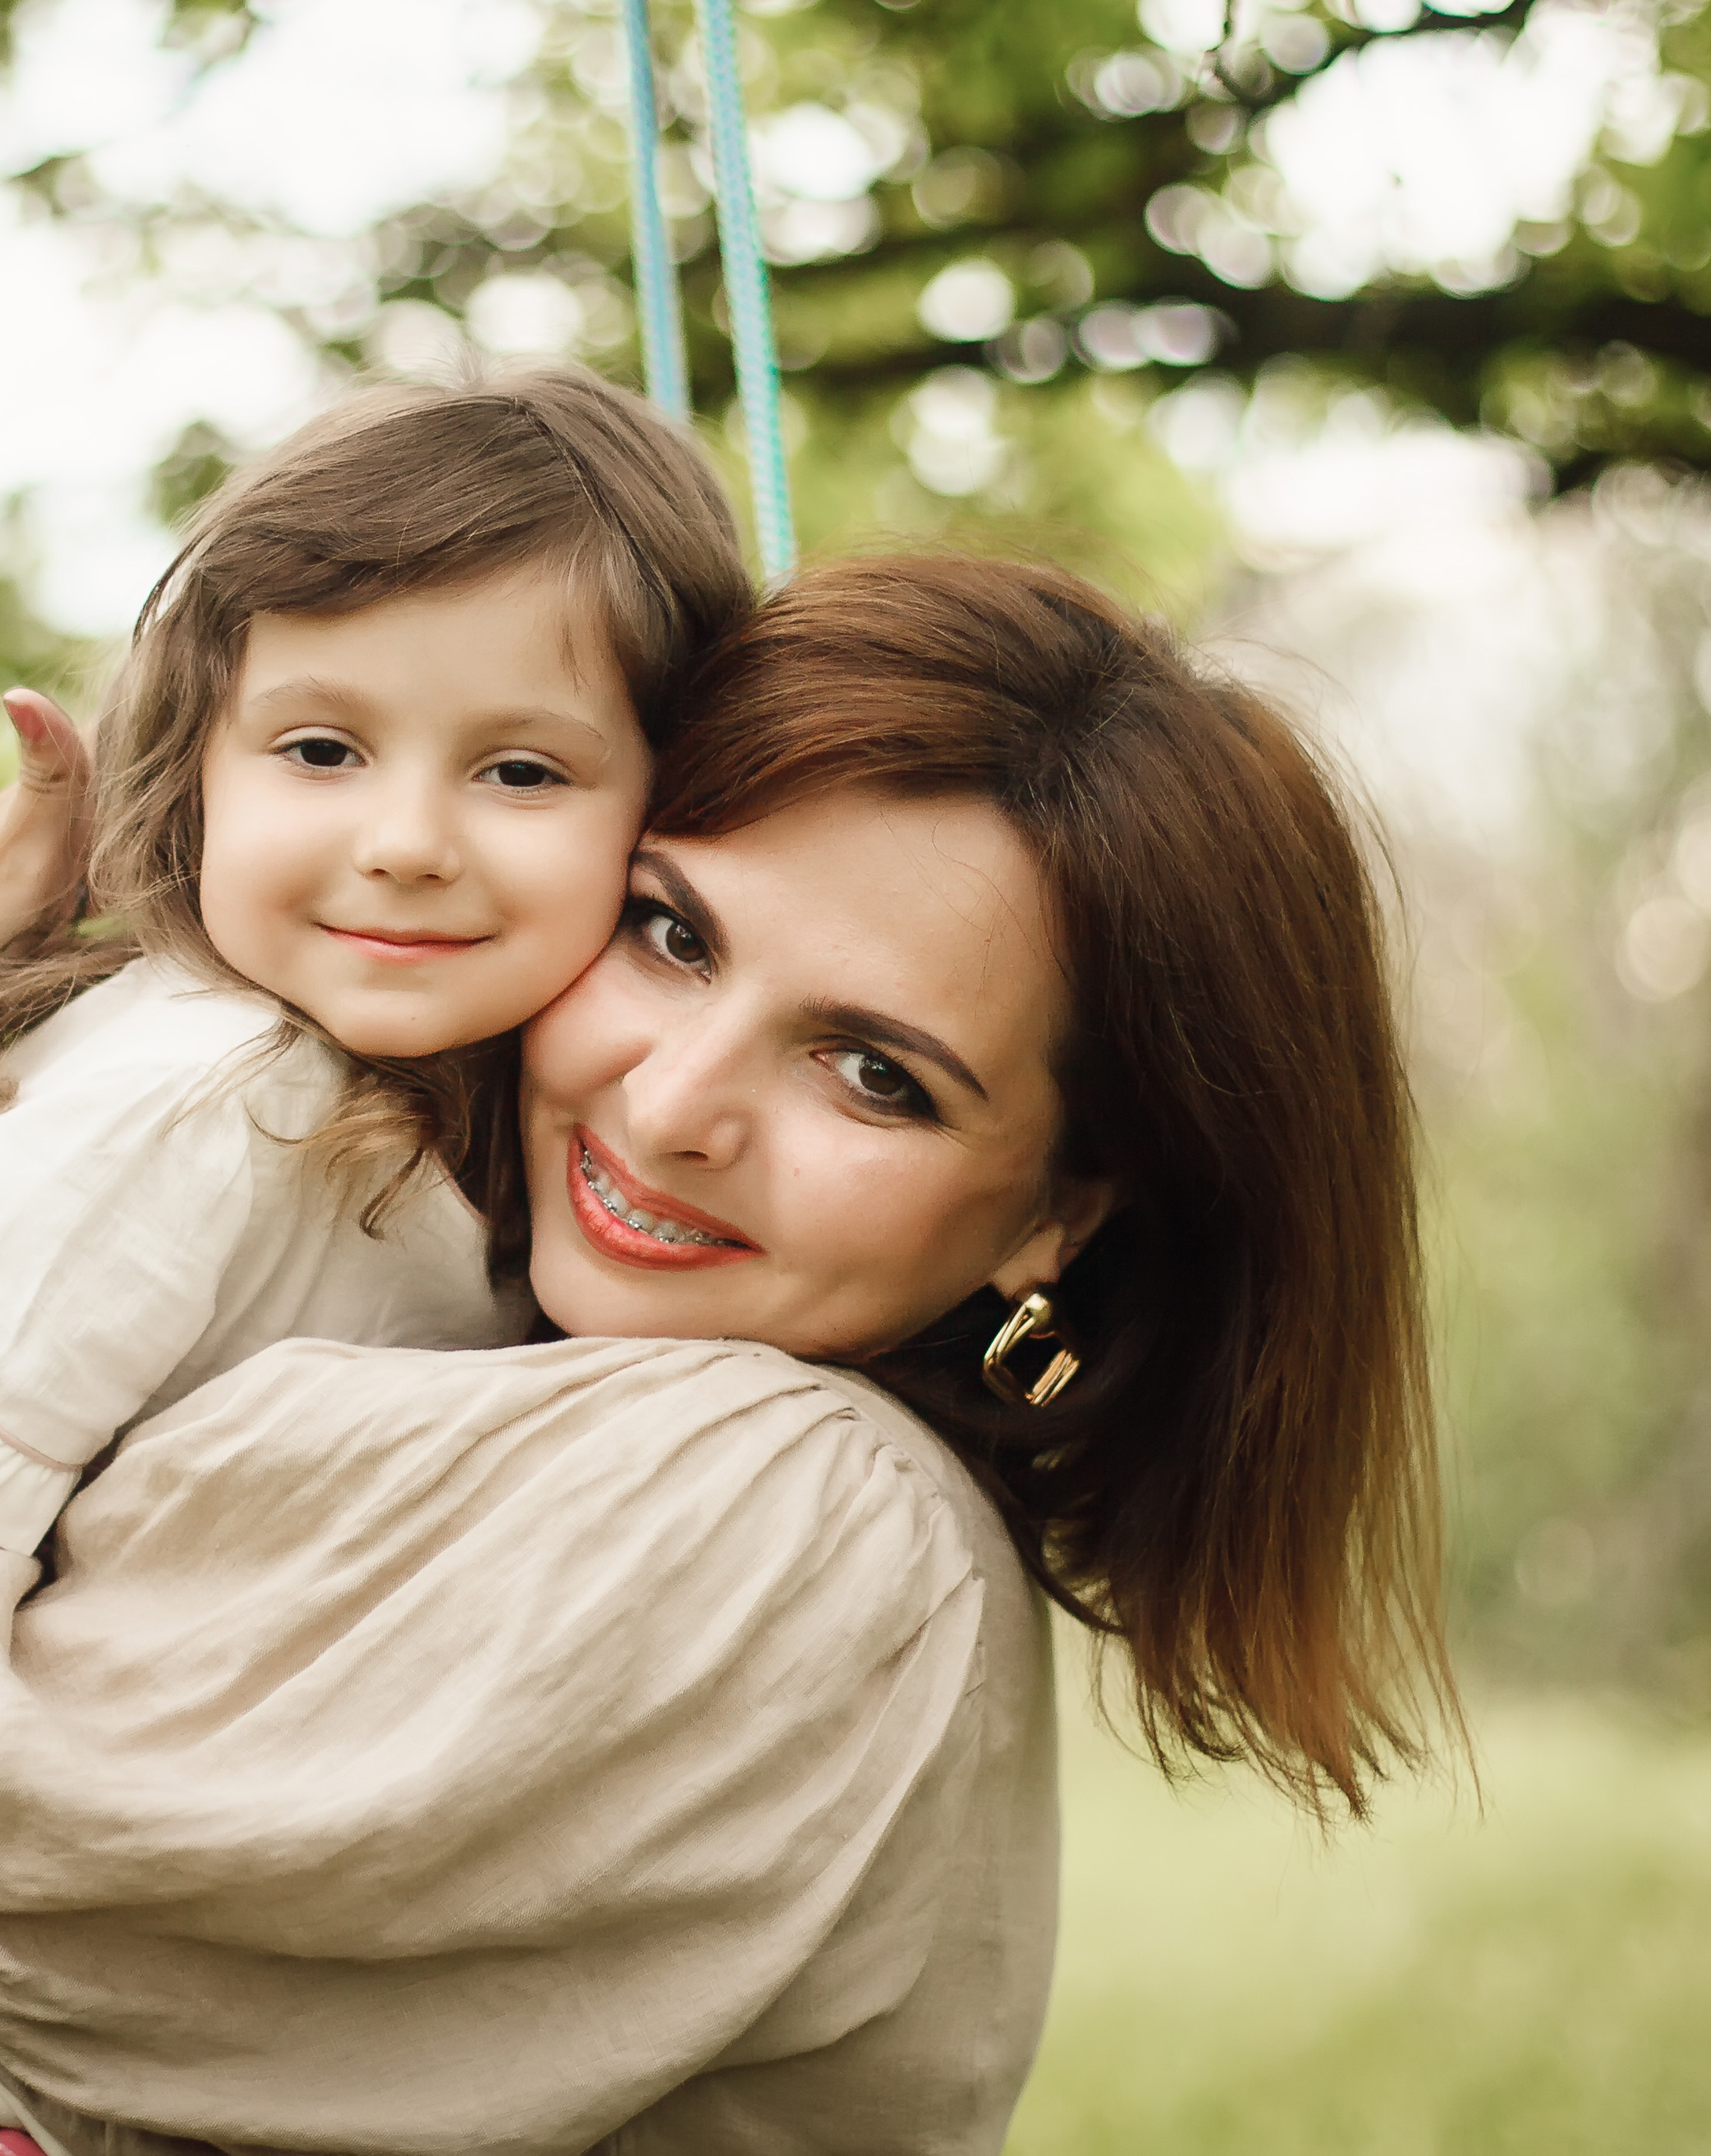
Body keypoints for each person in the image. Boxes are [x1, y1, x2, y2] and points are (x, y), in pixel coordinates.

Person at [0, 553, 1454, 2156]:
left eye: (872, 1074)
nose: (673, 1106)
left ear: (1064, 1215)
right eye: (669, 933)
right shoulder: (445, 1292)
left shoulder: (804, 1518)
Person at [0, 370, 749, 1625]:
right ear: (196, 770)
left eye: (520, 770)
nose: (406, 843)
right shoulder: (198, 1103)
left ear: (663, 814)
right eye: (322, 751)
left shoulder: (532, 1137)